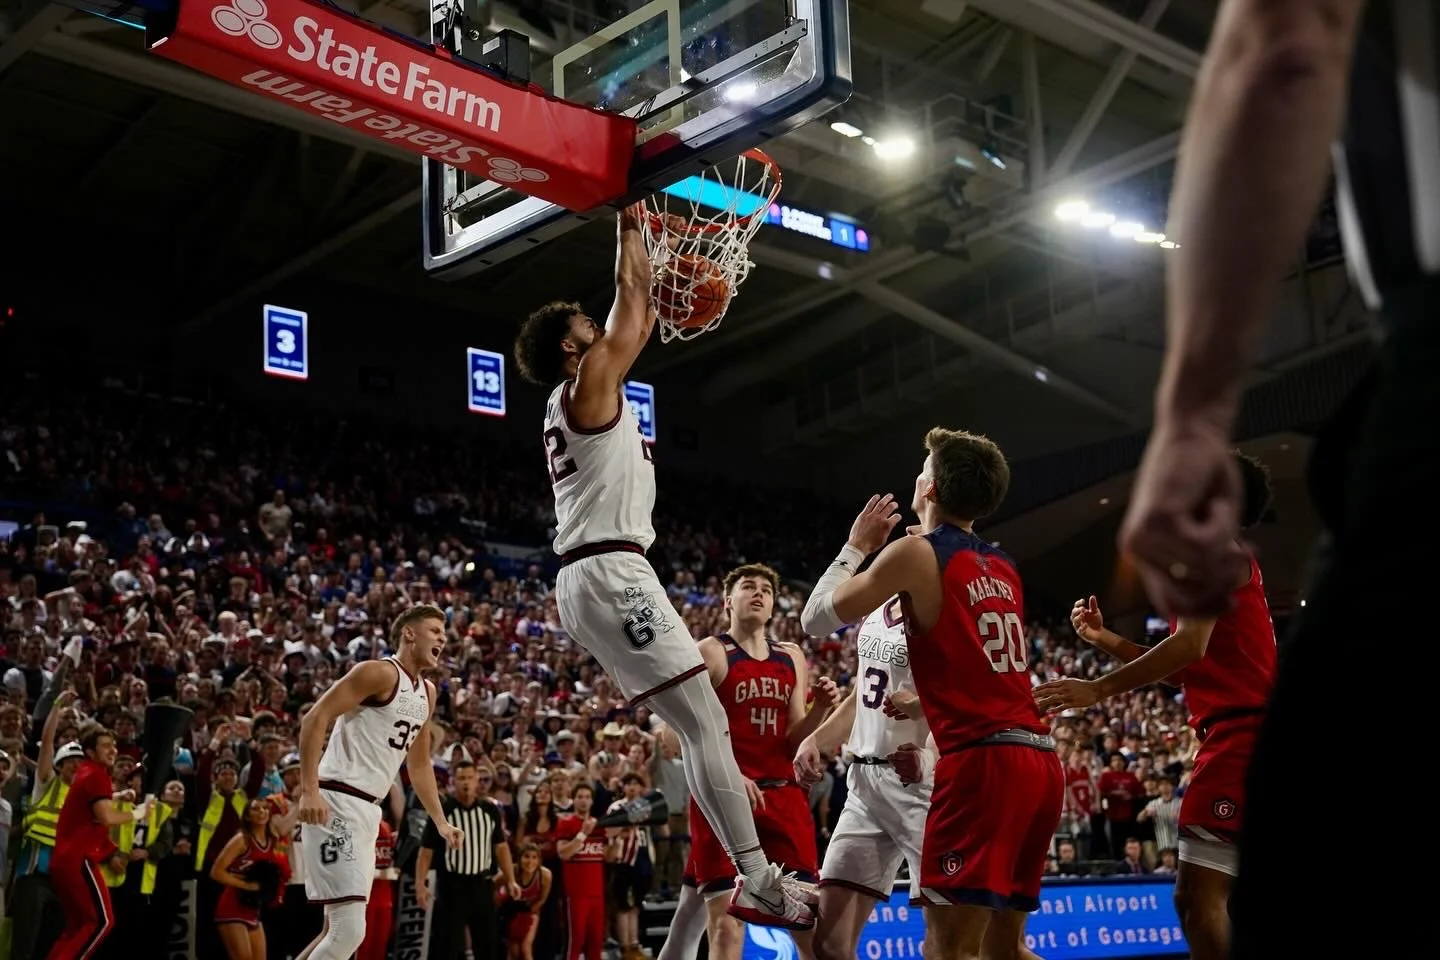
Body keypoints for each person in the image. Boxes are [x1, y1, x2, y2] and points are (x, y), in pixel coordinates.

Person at [1108, 3, 1406, 956]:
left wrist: (1192, 412)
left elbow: (1279, 46)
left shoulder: (1227, 554)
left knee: (1223, 908)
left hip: (1424, 352)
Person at [512, 204, 813, 929]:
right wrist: (630, 225)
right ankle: (758, 878)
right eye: (585, 325)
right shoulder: (583, 387)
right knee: (709, 722)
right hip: (612, 573)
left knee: (699, 722)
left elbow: (635, 318)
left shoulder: (584, 396)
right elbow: (635, 315)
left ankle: (751, 876)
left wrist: (650, 246)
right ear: (568, 348)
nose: (599, 327)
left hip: (592, 578)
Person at [799, 429, 1064, 960]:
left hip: (952, 772)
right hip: (898, 775)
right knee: (993, 952)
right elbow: (953, 677)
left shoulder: (915, 555)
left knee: (957, 950)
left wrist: (856, 546)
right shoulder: (1001, 569)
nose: (916, 474)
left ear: (933, 489)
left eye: (924, 467)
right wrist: (825, 738)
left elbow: (814, 619)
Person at [1034, 453, 1278, 960]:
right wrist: (1104, 639)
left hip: (1242, 739)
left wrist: (1097, 690)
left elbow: (1186, 649)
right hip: (1248, 734)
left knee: (1195, 899)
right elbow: (1185, 666)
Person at [662, 564, 837, 960]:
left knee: (807, 921)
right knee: (726, 925)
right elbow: (673, 735)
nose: (758, 594)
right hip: (723, 801)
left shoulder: (791, 656)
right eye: (747, 587)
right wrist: (725, 772)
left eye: (766, 590)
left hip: (782, 795)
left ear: (774, 606)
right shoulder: (710, 651)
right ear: (728, 601)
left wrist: (820, 710)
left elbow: (793, 736)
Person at [294, 604, 463, 960]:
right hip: (337, 799)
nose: (443, 639)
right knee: (348, 931)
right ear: (409, 633)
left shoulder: (428, 692)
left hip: (369, 810)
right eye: (435, 630)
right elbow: (315, 718)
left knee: (335, 929)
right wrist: (309, 790)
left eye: (445, 634)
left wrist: (441, 821)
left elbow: (418, 766)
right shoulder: (378, 672)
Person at [793, 591, 934, 960]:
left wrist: (931, 758)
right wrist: (816, 738)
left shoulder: (946, 606)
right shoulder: (877, 609)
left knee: (950, 944)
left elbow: (970, 694)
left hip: (923, 788)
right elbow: (863, 694)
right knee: (829, 944)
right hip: (864, 783)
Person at [46, 726, 149, 960]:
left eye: (113, 745)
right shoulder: (97, 774)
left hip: (63, 860)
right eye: (105, 746)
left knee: (76, 927)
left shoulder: (86, 773)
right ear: (90, 752)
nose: (112, 750)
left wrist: (117, 796)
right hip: (79, 859)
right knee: (101, 922)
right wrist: (139, 813)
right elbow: (107, 817)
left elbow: (90, 806)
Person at [210, 797, 290, 960]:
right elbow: (216, 872)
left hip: (253, 907)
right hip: (232, 905)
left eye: (265, 808)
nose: (262, 812)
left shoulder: (272, 840)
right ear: (247, 816)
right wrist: (246, 885)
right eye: (256, 809)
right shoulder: (241, 839)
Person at [554, 783, 608, 960]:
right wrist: (582, 835)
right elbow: (563, 853)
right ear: (573, 800)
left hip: (597, 894)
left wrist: (617, 840)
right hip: (576, 894)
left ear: (592, 801)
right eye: (579, 797)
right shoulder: (566, 823)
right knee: (574, 943)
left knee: (596, 943)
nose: (583, 801)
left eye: (587, 797)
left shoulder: (599, 826)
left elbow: (609, 856)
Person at [501, 842, 552, 960]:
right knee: (514, 951)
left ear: (539, 860)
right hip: (510, 913)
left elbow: (542, 900)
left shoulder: (545, 875)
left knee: (525, 947)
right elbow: (492, 886)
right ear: (519, 858)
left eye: (535, 857)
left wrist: (528, 909)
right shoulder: (511, 872)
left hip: (530, 912)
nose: (530, 861)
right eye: (526, 856)